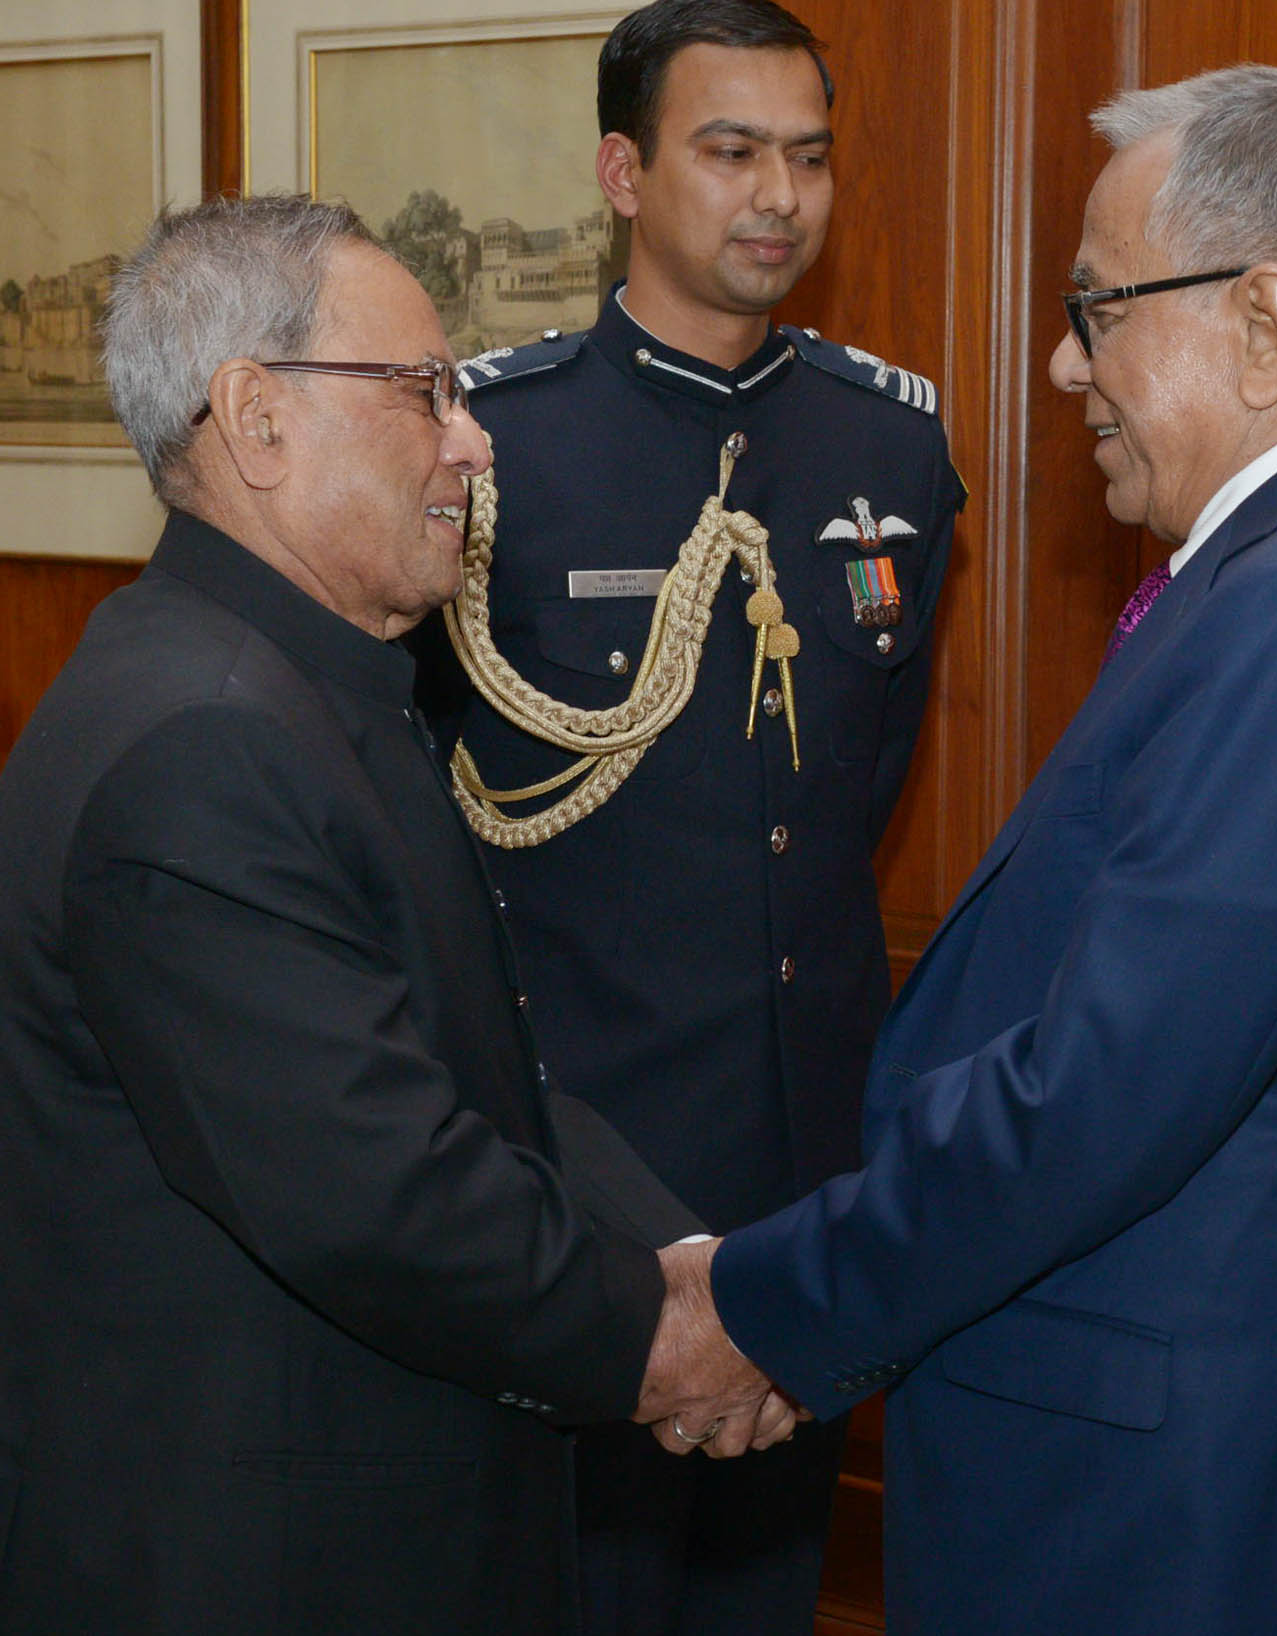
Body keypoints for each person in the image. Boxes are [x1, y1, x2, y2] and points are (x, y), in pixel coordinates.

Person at [635, 66, 1277, 1634]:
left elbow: (1093, 1097)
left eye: (1097, 308)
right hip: (1172, 1465)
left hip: (1163, 1515)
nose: (1065, 363)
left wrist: (766, 1308)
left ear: (1260, 320)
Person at [0, 194, 709, 1635]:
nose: (474, 441)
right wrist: (669, 1340)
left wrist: (696, 1269)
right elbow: (388, 1196)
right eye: (425, 390)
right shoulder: (206, 740)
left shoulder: (291, 685)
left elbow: (470, 1083)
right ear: (256, 421)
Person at [412, 1, 962, 1628]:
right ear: (621, 172)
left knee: (761, 1588)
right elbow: (423, 816)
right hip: (571, 1167)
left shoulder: (889, 445)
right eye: (729, 152)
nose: (777, 195)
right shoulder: (495, 445)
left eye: (808, 157)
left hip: (806, 1168)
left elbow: (857, 783)